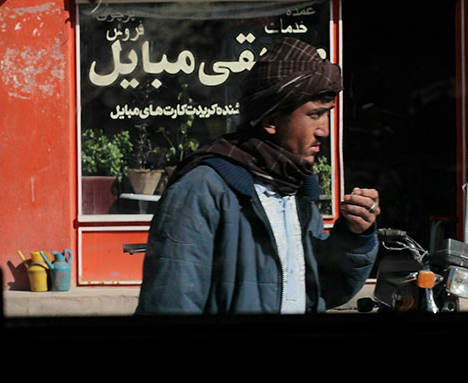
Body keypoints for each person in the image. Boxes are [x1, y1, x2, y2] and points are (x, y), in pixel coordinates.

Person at [135, 37, 379, 314]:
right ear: (271, 121)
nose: (324, 129)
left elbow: (319, 289)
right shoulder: (203, 190)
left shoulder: (294, 188)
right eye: (314, 115)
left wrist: (354, 235)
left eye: (327, 115)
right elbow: (170, 304)